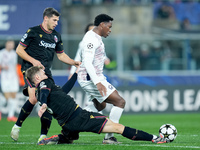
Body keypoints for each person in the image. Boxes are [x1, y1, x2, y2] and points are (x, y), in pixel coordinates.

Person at [25, 65, 169, 145]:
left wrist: (76, 74)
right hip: (79, 117)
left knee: (70, 139)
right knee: (117, 127)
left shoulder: (41, 92)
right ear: (37, 77)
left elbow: (63, 91)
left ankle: (56, 138)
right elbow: (44, 89)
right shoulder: (44, 84)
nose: (46, 74)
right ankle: (155, 138)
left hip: (66, 124)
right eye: (43, 73)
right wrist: (43, 104)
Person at [10, 7, 81, 143]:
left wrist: (74, 63)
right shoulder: (33, 32)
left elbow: (61, 55)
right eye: (54, 20)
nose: (56, 23)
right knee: (33, 98)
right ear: (46, 18)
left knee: (47, 100)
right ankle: (17, 126)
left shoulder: (56, 36)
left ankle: (43, 135)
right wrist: (33, 61)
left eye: (57, 20)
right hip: (31, 70)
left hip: (45, 72)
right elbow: (19, 50)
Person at [77, 14, 125, 144]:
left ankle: (72, 126)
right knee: (119, 102)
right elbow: (87, 62)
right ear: (102, 25)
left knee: (100, 106)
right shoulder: (91, 39)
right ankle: (109, 137)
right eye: (109, 27)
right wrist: (98, 82)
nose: (110, 30)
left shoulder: (96, 37)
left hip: (94, 77)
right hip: (91, 79)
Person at [68, 23, 110, 113]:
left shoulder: (98, 41)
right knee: (93, 94)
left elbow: (101, 54)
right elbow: (77, 58)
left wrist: (106, 59)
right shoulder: (83, 43)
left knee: (95, 95)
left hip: (97, 73)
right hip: (87, 73)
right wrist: (72, 72)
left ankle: (93, 114)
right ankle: (90, 114)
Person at [0, 40, 19, 122]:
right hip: (5, 77)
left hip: (13, 77)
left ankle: (10, 116)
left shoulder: (14, 53)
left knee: (14, 96)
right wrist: (3, 67)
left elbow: (15, 65)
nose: (11, 45)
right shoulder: (2, 53)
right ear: (6, 44)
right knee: (6, 98)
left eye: (12, 44)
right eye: (10, 44)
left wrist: (17, 76)